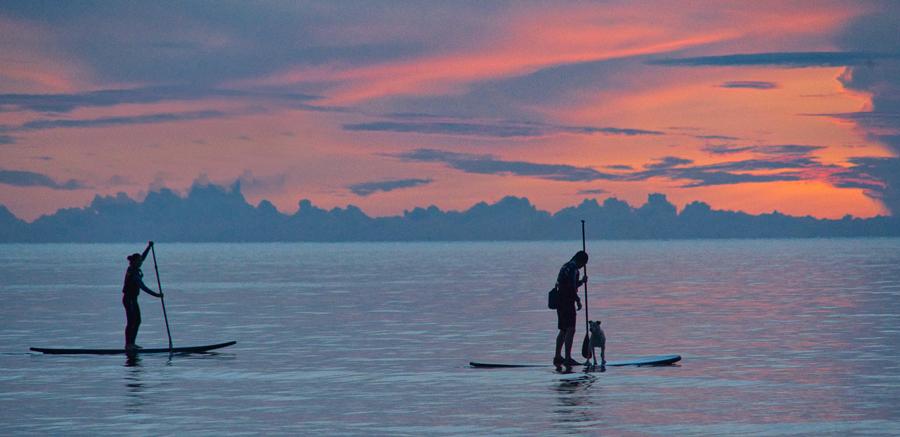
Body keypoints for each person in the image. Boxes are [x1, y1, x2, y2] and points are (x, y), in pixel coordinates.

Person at [122, 241, 163, 350]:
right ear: (134, 262)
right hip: (129, 299)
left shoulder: (135, 266)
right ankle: (128, 344)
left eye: (141, 261)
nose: (141, 262)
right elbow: (143, 287)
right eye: (139, 261)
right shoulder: (133, 272)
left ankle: (132, 343)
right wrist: (157, 295)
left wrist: (149, 247)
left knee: (138, 320)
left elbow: (143, 257)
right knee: (131, 321)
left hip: (133, 299)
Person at [554, 250, 588, 367]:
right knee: (570, 329)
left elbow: (565, 283)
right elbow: (571, 287)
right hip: (567, 302)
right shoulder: (574, 269)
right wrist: (577, 300)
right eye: (583, 265)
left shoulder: (565, 266)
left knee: (563, 329)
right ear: (580, 261)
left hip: (559, 301)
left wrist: (581, 282)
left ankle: (558, 356)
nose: (582, 267)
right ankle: (568, 357)